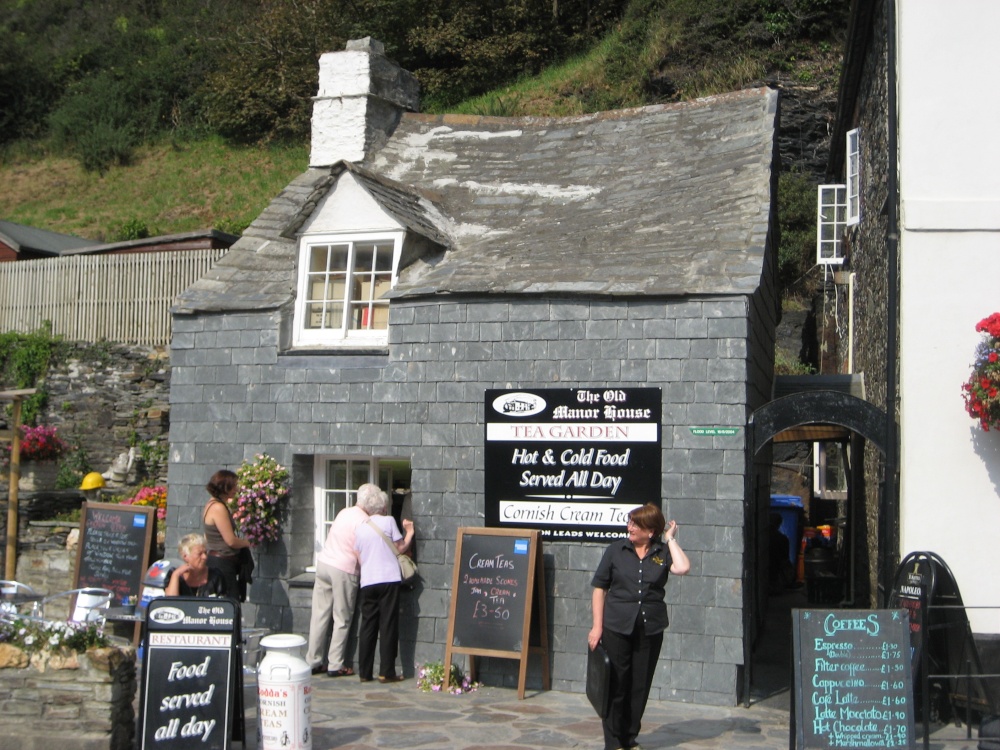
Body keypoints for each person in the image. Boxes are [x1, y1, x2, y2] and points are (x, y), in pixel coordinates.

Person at [588, 504, 690, 750]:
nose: (630, 527)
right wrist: (596, 627)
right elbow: (599, 589)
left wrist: (670, 539)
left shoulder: (662, 552)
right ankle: (613, 743)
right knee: (617, 684)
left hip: (649, 628)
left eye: (636, 524)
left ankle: (629, 738)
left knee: (639, 686)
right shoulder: (615, 551)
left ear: (651, 531)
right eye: (630, 522)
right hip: (616, 627)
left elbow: (683, 567)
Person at [306, 482, 385, 676]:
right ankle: (335, 664)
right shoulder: (365, 522)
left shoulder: (344, 511)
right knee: (342, 618)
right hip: (344, 569)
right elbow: (360, 552)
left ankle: (313, 661)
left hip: (324, 562)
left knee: (319, 615)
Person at [353, 490, 414, 683]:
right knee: (388, 625)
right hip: (388, 578)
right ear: (384, 507)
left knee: (368, 625)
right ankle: (386, 671)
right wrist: (410, 532)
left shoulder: (361, 527)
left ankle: (364, 672)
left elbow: (359, 553)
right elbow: (400, 547)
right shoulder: (388, 521)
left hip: (368, 580)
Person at [203, 469, 252, 601]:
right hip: (222, 562)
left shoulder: (210, 504)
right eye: (234, 486)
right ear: (225, 487)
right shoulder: (218, 508)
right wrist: (249, 542)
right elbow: (231, 541)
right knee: (229, 603)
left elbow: (207, 536)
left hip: (217, 560)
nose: (237, 489)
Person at [165, 533, 227, 597]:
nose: (204, 557)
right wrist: (176, 575)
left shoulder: (216, 575)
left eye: (205, 553)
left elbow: (223, 602)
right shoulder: (173, 574)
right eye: (199, 554)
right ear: (185, 556)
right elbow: (171, 602)